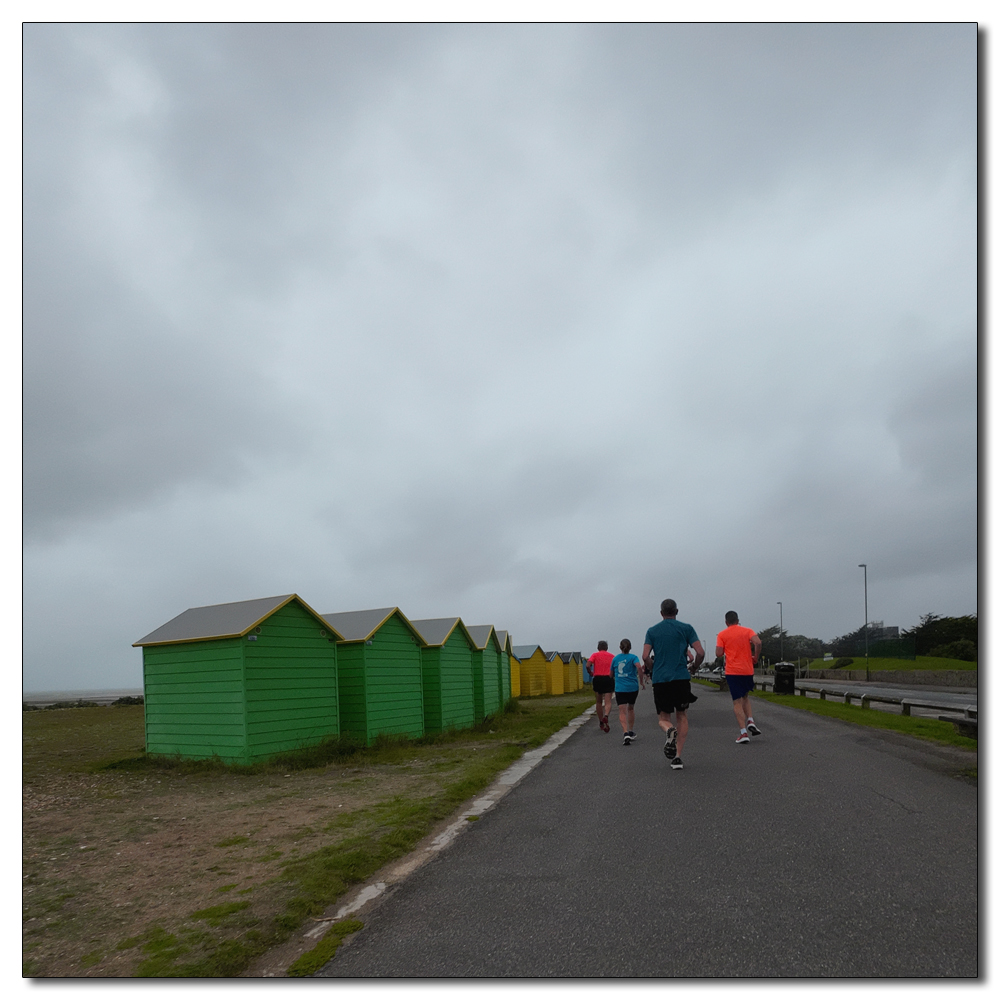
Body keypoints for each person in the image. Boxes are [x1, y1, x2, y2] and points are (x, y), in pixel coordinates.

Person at [643, 599, 704, 770]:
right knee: (682, 715)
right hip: (681, 678)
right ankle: (677, 757)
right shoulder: (687, 628)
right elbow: (700, 652)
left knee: (663, 718)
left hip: (661, 679)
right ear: (676, 611)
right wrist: (694, 667)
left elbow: (645, 656)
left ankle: (669, 730)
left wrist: (652, 668)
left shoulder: (652, 631)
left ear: (661, 613)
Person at [715, 611, 763, 744]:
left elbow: (719, 653)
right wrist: (755, 657)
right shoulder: (747, 631)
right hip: (747, 670)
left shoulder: (722, 634)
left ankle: (743, 733)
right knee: (745, 696)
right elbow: (758, 643)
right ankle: (751, 720)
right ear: (738, 620)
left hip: (733, 671)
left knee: (737, 701)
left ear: (726, 622)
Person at [611, 639, 644, 745]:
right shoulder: (633, 657)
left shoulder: (615, 659)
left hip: (620, 688)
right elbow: (639, 666)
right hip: (632, 687)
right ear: (630, 647)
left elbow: (610, 674)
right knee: (630, 708)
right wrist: (641, 681)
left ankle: (625, 732)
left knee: (622, 711)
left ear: (620, 647)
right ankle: (630, 730)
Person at [586, 641, 615, 733]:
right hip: (608, 678)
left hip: (598, 678)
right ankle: (606, 715)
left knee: (598, 701)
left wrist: (590, 672)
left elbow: (588, 665)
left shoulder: (595, 655)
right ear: (607, 648)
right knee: (608, 701)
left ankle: (601, 721)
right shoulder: (612, 656)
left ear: (598, 648)